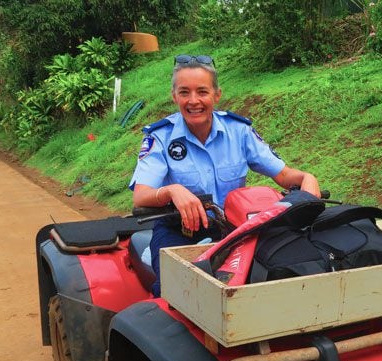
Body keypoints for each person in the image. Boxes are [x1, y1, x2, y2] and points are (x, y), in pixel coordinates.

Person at [130, 54, 320, 297]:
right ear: (174, 96)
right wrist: (171, 191)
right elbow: (141, 195)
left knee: (278, 272)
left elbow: (283, 175)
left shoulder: (238, 131)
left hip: (236, 229)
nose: (194, 101)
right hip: (179, 231)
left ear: (217, 95)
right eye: (184, 92)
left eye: (202, 92)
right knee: (174, 289)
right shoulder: (160, 137)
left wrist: (307, 178)